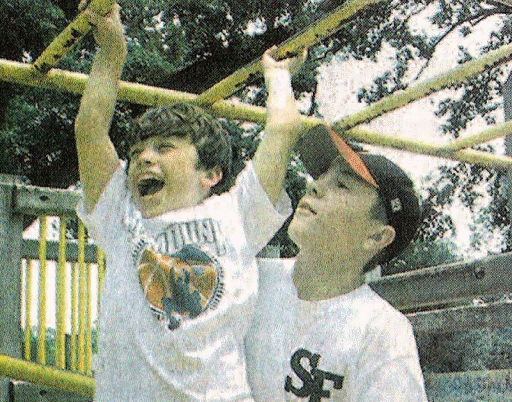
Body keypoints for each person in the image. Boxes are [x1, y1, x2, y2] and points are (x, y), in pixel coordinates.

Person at [75, 3, 305, 401]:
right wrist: (112, 52)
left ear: (210, 174)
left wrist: (279, 76)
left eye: (165, 147)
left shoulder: (238, 213)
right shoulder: (120, 215)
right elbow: (90, 128)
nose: (145, 157)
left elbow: (283, 129)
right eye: (140, 150)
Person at [245, 125, 428, 401]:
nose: (314, 185)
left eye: (342, 185)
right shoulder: (249, 279)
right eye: (322, 176)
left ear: (376, 236)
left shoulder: (381, 332)